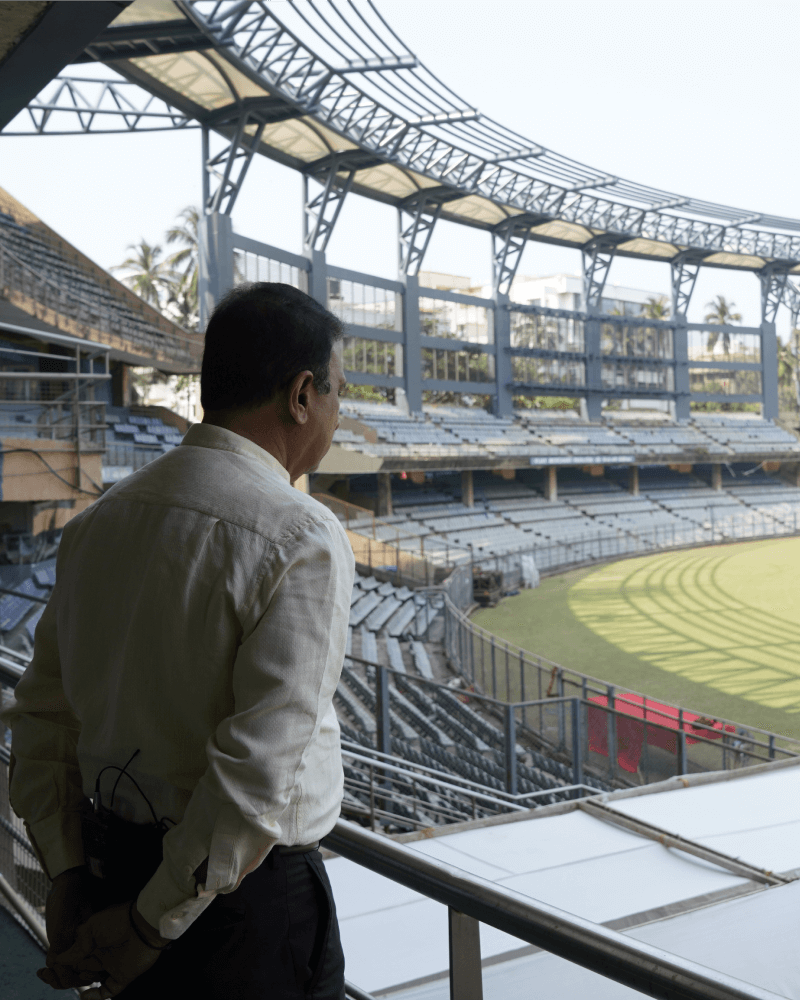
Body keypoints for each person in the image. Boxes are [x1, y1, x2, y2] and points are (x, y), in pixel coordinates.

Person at [0, 282, 355, 999]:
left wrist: (66, 873)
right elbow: (256, 778)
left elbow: (40, 719)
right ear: (301, 394)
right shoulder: (302, 535)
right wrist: (147, 925)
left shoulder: (98, 523)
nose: (339, 414)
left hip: (107, 870)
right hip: (240, 915)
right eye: (338, 392)